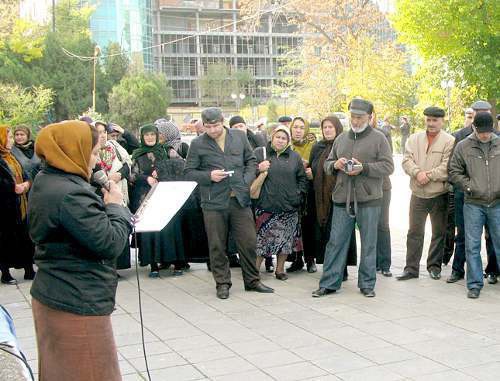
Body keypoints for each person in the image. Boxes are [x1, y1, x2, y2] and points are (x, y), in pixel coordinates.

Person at [28, 120, 132, 381]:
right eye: (94, 153)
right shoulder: (70, 195)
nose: (96, 162)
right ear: (73, 151)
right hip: (76, 301)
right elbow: (110, 243)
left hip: (55, 292)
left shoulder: (47, 179)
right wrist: (116, 206)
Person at [184, 107, 273, 299]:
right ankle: (222, 283)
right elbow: (188, 171)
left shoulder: (239, 137)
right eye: (208, 127)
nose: (213, 130)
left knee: (248, 241)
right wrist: (208, 176)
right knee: (217, 245)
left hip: (239, 199)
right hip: (213, 202)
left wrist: (246, 180)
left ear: (222, 121)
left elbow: (250, 161)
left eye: (215, 126)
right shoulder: (198, 144)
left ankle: (252, 280)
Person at [312, 98, 394, 298]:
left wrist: (363, 168)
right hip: (342, 198)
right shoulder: (341, 139)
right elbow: (327, 164)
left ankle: (367, 284)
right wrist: (335, 165)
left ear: (369, 117)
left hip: (369, 199)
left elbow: (388, 166)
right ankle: (330, 283)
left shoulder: (379, 138)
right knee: (336, 242)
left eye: (360, 117)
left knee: (369, 242)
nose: (355, 121)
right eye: (353, 117)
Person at [397, 107, 455, 281]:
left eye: (434, 120)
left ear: (441, 121)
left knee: (439, 232)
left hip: (439, 194)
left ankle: (434, 266)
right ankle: (411, 269)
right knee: (414, 232)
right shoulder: (414, 139)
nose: (431, 123)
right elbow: (406, 160)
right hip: (417, 194)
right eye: (428, 120)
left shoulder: (449, 141)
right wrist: (417, 173)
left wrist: (427, 175)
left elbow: (447, 167)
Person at [449, 112, 500, 298]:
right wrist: (468, 186)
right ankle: (474, 284)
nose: (485, 135)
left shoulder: (498, 142)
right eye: (481, 132)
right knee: (472, 245)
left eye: (488, 131)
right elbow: (454, 171)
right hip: (473, 203)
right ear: (474, 128)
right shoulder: (463, 146)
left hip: (497, 203)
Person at [130, 124, 186, 277]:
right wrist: (146, 178)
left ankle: (177, 262)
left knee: (171, 228)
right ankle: (154, 264)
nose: (149, 138)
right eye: (146, 135)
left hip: (167, 195)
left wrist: (162, 171)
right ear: (142, 137)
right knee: (152, 230)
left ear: (157, 136)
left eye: (152, 135)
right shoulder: (137, 154)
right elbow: (132, 176)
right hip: (147, 196)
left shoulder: (167, 150)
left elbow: (182, 166)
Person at [253, 126, 307, 280]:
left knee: (285, 242)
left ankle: (280, 270)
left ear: (288, 141)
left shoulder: (294, 157)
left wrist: (297, 195)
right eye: (278, 137)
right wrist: (258, 168)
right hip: (266, 206)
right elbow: (249, 171)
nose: (281, 140)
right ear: (272, 137)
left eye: (284, 138)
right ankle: (254, 271)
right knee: (262, 242)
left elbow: (302, 179)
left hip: (289, 207)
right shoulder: (261, 154)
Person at [309, 116, 357, 280]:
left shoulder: (344, 145)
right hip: (320, 199)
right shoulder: (317, 148)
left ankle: (341, 269)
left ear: (337, 128)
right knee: (325, 234)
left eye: (330, 127)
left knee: (339, 235)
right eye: (325, 127)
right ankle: (330, 268)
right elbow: (313, 168)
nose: (327, 130)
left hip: (339, 197)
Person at [92, 121, 132, 271]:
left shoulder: (115, 147)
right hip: (99, 194)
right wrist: (104, 182)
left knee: (118, 225)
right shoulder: (89, 151)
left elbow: (127, 165)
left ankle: (119, 265)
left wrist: (118, 175)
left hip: (117, 191)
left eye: (103, 132)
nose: (101, 136)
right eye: (98, 132)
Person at [0, 125, 35, 285]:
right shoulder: (2, 158)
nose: (12, 140)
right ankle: (5, 273)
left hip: (21, 204)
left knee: (25, 237)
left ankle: (29, 270)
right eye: (10, 137)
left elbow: (24, 173)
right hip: (6, 207)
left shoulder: (11, 156)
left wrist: (26, 184)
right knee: (6, 240)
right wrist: (12, 188)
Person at [289, 116, 318, 273]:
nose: (298, 130)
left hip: (308, 191)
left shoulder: (313, 145)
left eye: (301, 127)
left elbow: (316, 165)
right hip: (291, 191)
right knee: (294, 226)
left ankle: (310, 259)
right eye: (295, 127)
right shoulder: (287, 145)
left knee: (308, 225)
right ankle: (296, 259)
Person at [374, 115, 394, 277]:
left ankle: (385, 263)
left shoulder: (382, 134)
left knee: (382, 224)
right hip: (362, 189)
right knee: (368, 226)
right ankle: (372, 262)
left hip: (382, 187)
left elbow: (388, 163)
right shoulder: (351, 136)